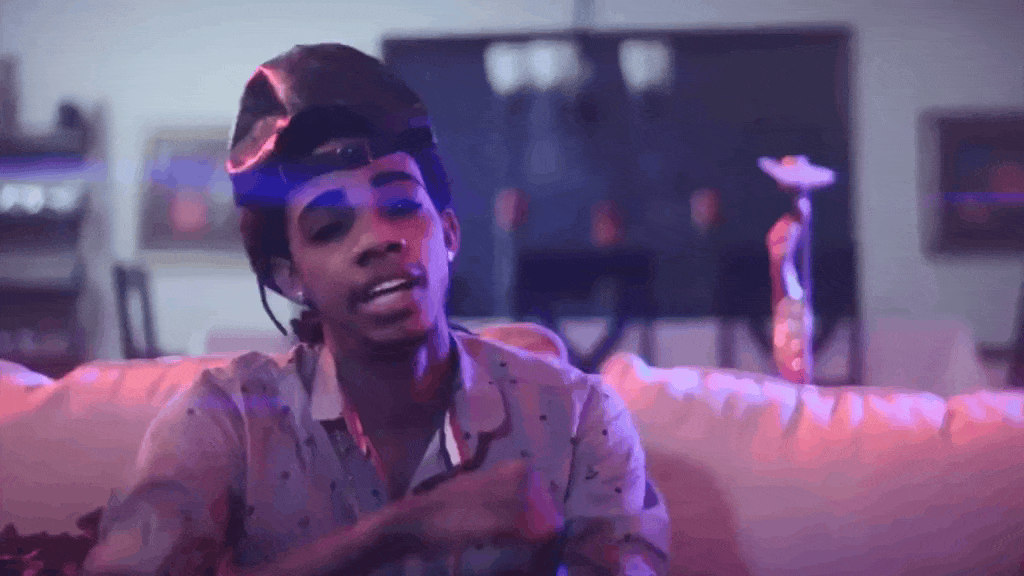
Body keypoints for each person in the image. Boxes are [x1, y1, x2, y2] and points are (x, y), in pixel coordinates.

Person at [82, 43, 669, 576]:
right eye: (330, 227)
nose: (378, 239)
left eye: (401, 208)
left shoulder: (579, 416)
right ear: (291, 278)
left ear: (449, 233)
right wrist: (401, 531)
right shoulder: (226, 418)